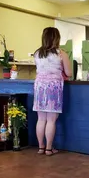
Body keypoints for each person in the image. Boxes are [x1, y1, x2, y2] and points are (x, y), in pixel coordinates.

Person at [33, 27, 72, 156]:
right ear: (57, 38)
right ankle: (49, 149)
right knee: (51, 120)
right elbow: (69, 73)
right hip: (53, 87)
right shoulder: (61, 53)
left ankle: (40, 147)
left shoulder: (37, 53)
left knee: (41, 119)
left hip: (39, 86)